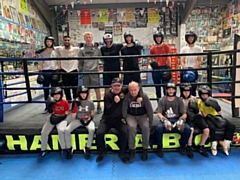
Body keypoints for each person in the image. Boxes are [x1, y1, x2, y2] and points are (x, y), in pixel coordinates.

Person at [95, 78, 142, 163]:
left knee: (124, 132)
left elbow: (138, 87)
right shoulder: (108, 95)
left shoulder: (124, 90)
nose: (117, 88)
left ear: (122, 86)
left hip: (119, 119)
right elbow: (108, 110)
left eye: (119, 86)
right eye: (115, 86)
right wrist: (114, 102)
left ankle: (122, 152)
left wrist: (139, 96)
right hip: (107, 118)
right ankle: (103, 151)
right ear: (111, 86)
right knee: (99, 133)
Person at [198, 85, 236, 156]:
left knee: (231, 126)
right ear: (200, 95)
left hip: (217, 116)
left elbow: (220, 112)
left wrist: (216, 107)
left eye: (206, 94)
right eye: (203, 95)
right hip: (208, 117)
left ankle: (225, 142)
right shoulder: (200, 103)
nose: (204, 96)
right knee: (212, 127)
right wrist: (210, 117)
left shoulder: (213, 100)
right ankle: (214, 144)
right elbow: (203, 114)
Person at [156, 83, 191, 157]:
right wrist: (164, 120)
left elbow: (184, 114)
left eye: (172, 89)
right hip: (166, 118)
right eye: (169, 89)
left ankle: (183, 145)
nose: (171, 91)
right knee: (158, 128)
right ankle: (159, 146)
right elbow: (159, 113)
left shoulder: (179, 100)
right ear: (166, 90)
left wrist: (181, 120)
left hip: (177, 119)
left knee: (188, 129)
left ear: (175, 90)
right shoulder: (162, 100)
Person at [122, 81, 153, 161]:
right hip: (131, 116)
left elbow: (149, 109)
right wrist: (125, 118)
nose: (133, 92)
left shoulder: (144, 96)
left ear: (139, 89)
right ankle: (131, 149)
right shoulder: (127, 97)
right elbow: (124, 109)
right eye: (131, 90)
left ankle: (145, 149)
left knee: (146, 127)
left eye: (135, 90)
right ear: (128, 90)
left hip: (143, 115)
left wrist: (151, 121)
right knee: (131, 127)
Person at [64, 86, 95, 160]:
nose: (83, 95)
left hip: (87, 119)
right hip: (77, 120)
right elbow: (73, 117)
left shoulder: (90, 102)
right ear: (79, 94)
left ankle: (87, 148)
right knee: (66, 130)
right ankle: (69, 148)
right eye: (82, 93)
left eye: (85, 93)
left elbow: (92, 114)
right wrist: (75, 107)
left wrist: (89, 118)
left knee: (92, 129)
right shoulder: (75, 101)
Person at [180, 83, 209, 158]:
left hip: (196, 116)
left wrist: (196, 105)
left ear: (190, 91)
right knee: (191, 130)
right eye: (184, 91)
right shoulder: (180, 100)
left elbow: (199, 111)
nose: (186, 93)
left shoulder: (194, 99)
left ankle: (201, 145)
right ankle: (189, 146)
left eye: (188, 91)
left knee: (206, 130)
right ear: (181, 92)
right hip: (188, 118)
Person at [38, 87, 69, 159]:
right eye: (55, 94)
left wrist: (60, 117)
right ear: (52, 95)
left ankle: (63, 149)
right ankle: (43, 149)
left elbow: (66, 113)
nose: (56, 96)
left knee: (61, 131)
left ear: (61, 95)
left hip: (62, 119)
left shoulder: (65, 102)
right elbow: (51, 112)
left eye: (58, 94)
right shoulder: (51, 101)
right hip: (52, 118)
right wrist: (49, 108)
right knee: (44, 132)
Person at [79, 32, 102, 114]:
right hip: (86, 71)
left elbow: (102, 59)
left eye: (90, 37)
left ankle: (99, 106)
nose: (88, 39)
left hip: (95, 71)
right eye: (87, 37)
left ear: (92, 38)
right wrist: (81, 73)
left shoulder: (97, 49)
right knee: (87, 90)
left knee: (97, 90)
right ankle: (88, 107)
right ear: (84, 39)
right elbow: (80, 62)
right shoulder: (82, 50)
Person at [36, 36, 61, 114]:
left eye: (50, 41)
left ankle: (56, 106)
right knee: (46, 90)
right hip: (45, 71)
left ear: (52, 42)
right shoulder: (42, 52)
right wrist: (40, 73)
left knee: (55, 91)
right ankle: (47, 107)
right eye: (47, 42)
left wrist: (58, 72)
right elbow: (40, 63)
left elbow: (59, 62)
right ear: (45, 42)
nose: (49, 43)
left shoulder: (57, 52)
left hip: (54, 71)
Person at [149, 31, 172, 113]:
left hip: (164, 67)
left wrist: (169, 69)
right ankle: (159, 106)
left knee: (166, 87)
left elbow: (169, 57)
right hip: (156, 69)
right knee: (157, 88)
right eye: (156, 37)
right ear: (155, 38)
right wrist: (152, 64)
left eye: (159, 37)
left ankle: (167, 106)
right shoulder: (152, 48)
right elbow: (151, 59)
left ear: (161, 38)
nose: (158, 39)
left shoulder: (166, 46)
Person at [56, 36, 80, 104]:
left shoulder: (76, 49)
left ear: (70, 41)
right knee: (66, 89)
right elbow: (50, 48)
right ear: (63, 41)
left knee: (75, 88)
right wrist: (37, 54)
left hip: (74, 70)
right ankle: (68, 103)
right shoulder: (60, 49)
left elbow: (84, 52)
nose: (67, 41)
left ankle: (75, 103)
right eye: (65, 40)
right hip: (64, 71)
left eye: (68, 40)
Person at [180, 31, 202, 96]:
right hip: (185, 70)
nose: (190, 39)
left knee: (193, 89)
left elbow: (199, 61)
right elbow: (182, 61)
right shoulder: (184, 49)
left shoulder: (198, 48)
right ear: (187, 38)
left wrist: (193, 69)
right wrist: (186, 69)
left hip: (194, 70)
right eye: (189, 37)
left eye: (192, 37)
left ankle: (193, 105)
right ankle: (182, 105)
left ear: (194, 38)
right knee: (183, 89)